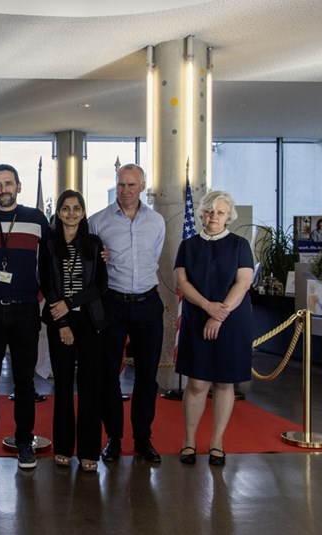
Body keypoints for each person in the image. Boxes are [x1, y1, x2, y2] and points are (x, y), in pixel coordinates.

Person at [0, 163, 50, 469]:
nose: (3, 189)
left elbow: (60, 253)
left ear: (19, 186)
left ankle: (24, 440)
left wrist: (98, 252)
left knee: (24, 383)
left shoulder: (36, 219)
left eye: (8, 183)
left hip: (25, 310)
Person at [88, 163, 165, 463]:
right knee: (110, 375)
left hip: (148, 303)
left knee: (147, 377)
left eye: (132, 185)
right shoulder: (98, 221)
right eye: (121, 185)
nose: (126, 191)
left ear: (143, 187)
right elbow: (92, 262)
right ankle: (115, 439)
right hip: (112, 304)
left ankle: (143, 439)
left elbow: (153, 257)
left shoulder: (157, 221)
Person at [175, 191, 253, 466]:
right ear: (202, 214)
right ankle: (189, 440)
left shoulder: (240, 244)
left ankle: (217, 441)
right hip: (197, 316)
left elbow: (242, 283)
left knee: (224, 381)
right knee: (196, 382)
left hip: (231, 320)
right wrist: (208, 307)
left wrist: (219, 315)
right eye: (209, 212)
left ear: (228, 216)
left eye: (220, 212)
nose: (214, 217)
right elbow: (183, 283)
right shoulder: (188, 245)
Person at [40, 190, 108, 472]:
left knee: (91, 387)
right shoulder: (48, 244)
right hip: (60, 324)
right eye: (65, 208)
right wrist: (63, 322)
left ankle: (90, 451)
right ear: (58, 213)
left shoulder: (93, 244)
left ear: (83, 212)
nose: (71, 213)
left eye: (76, 208)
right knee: (64, 386)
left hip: (90, 322)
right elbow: (47, 283)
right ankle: (64, 448)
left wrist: (69, 305)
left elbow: (99, 285)